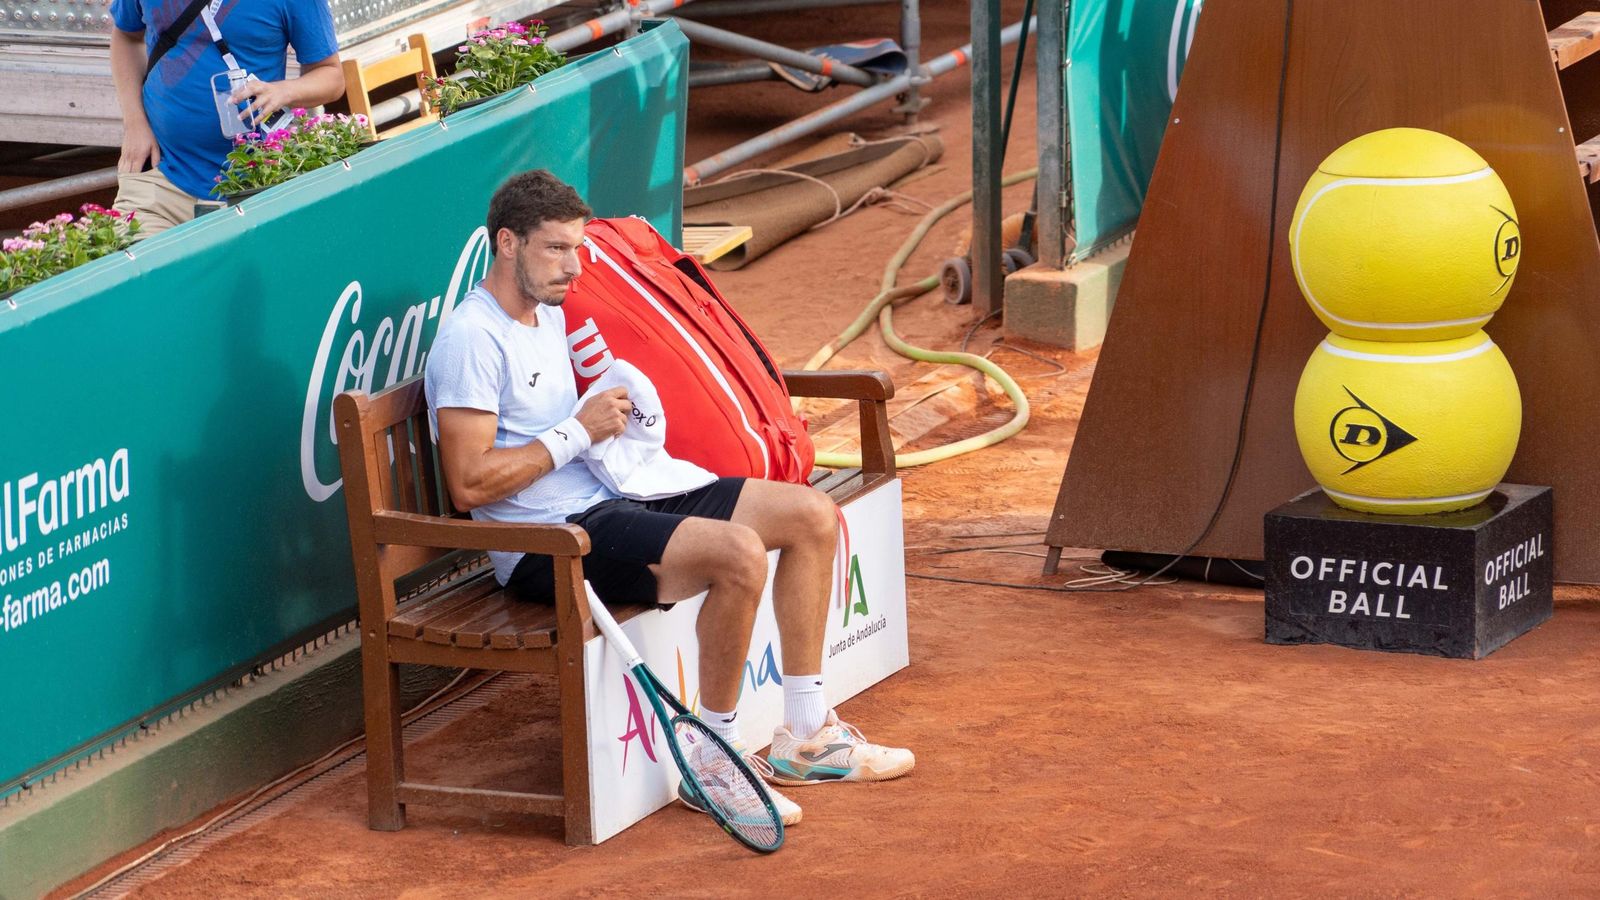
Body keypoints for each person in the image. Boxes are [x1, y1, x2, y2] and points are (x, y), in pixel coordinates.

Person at [424, 170, 914, 826]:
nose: (574, 267)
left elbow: (568, 430)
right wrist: (578, 431)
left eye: (577, 248)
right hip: (548, 542)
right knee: (738, 556)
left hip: (610, 496)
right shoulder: (470, 340)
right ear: (507, 244)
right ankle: (714, 761)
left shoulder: (545, 315)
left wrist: (617, 421)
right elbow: (469, 482)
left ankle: (805, 734)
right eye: (556, 250)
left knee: (810, 516)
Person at [109, 0, 344, 235]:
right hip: (160, 177)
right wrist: (134, 123)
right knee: (135, 269)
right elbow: (126, 37)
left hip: (256, 183)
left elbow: (331, 75)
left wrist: (284, 91)